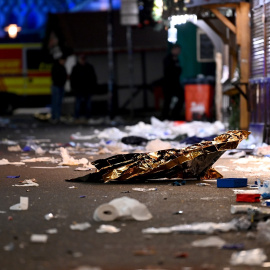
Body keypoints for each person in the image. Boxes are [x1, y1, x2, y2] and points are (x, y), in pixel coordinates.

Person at [70, 54, 97, 120]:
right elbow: (72, 79)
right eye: (81, 59)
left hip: (87, 89)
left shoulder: (89, 67)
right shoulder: (76, 67)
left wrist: (93, 87)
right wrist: (73, 88)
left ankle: (88, 117)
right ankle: (76, 117)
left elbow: (93, 78)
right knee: (78, 104)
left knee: (88, 104)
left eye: (83, 59)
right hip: (78, 89)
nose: (83, 61)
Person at [162, 44, 184, 120]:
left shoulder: (176, 59)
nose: (178, 52)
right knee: (167, 101)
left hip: (176, 83)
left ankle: (175, 114)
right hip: (168, 83)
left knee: (181, 97)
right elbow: (170, 71)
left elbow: (179, 71)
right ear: (173, 50)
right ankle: (165, 117)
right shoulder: (168, 59)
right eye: (177, 50)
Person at [51, 56, 67, 123]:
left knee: (59, 103)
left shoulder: (63, 67)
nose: (64, 62)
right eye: (63, 60)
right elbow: (54, 77)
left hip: (60, 86)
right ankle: (55, 117)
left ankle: (57, 117)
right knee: (56, 102)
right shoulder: (56, 67)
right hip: (56, 86)